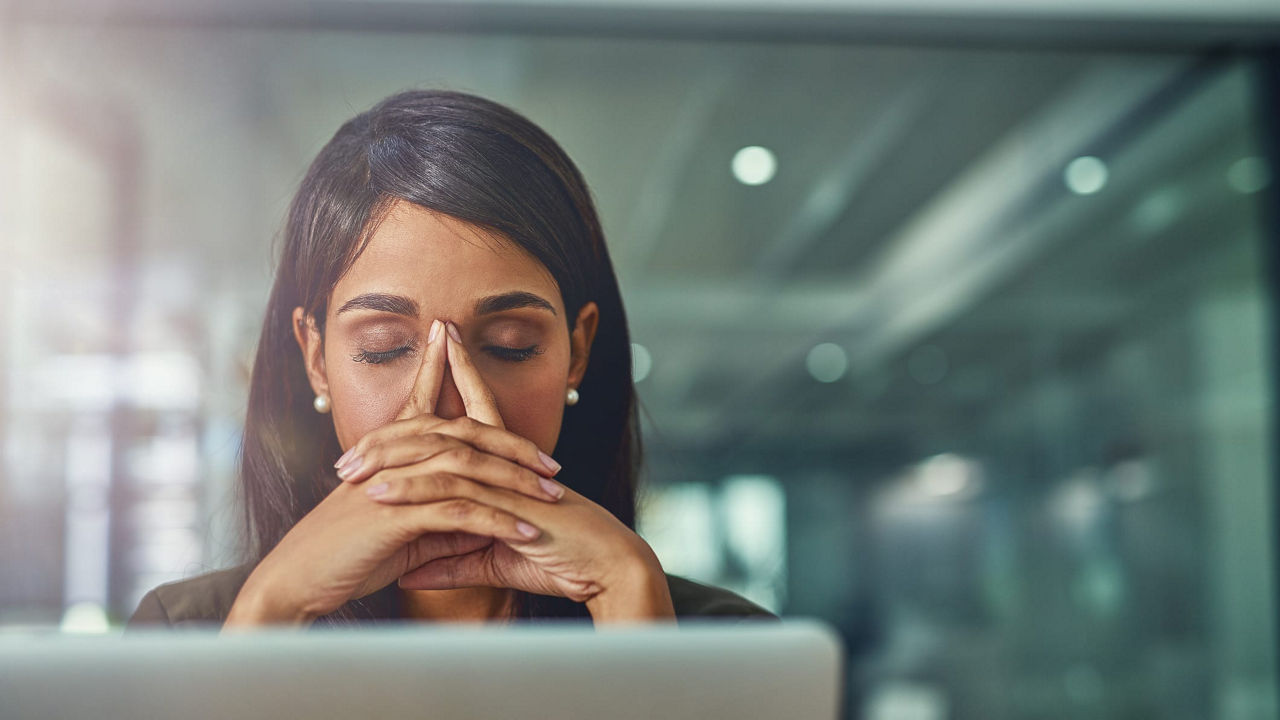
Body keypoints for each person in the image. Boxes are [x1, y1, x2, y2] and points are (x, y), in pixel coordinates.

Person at [128, 89, 774, 629]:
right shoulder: (194, 630)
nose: (449, 404)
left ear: (576, 353)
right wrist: (273, 610)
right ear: (317, 359)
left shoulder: (723, 640)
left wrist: (630, 599)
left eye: (509, 346)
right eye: (384, 349)